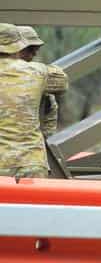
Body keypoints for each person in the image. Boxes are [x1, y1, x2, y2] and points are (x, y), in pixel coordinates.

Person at [0, 23, 68, 178]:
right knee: (28, 202)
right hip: (29, 162)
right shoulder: (37, 72)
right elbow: (62, 83)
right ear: (18, 46)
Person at [17, 26, 58, 136]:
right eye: (30, 49)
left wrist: (44, 139)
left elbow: (50, 111)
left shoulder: (37, 75)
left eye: (36, 49)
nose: (34, 54)